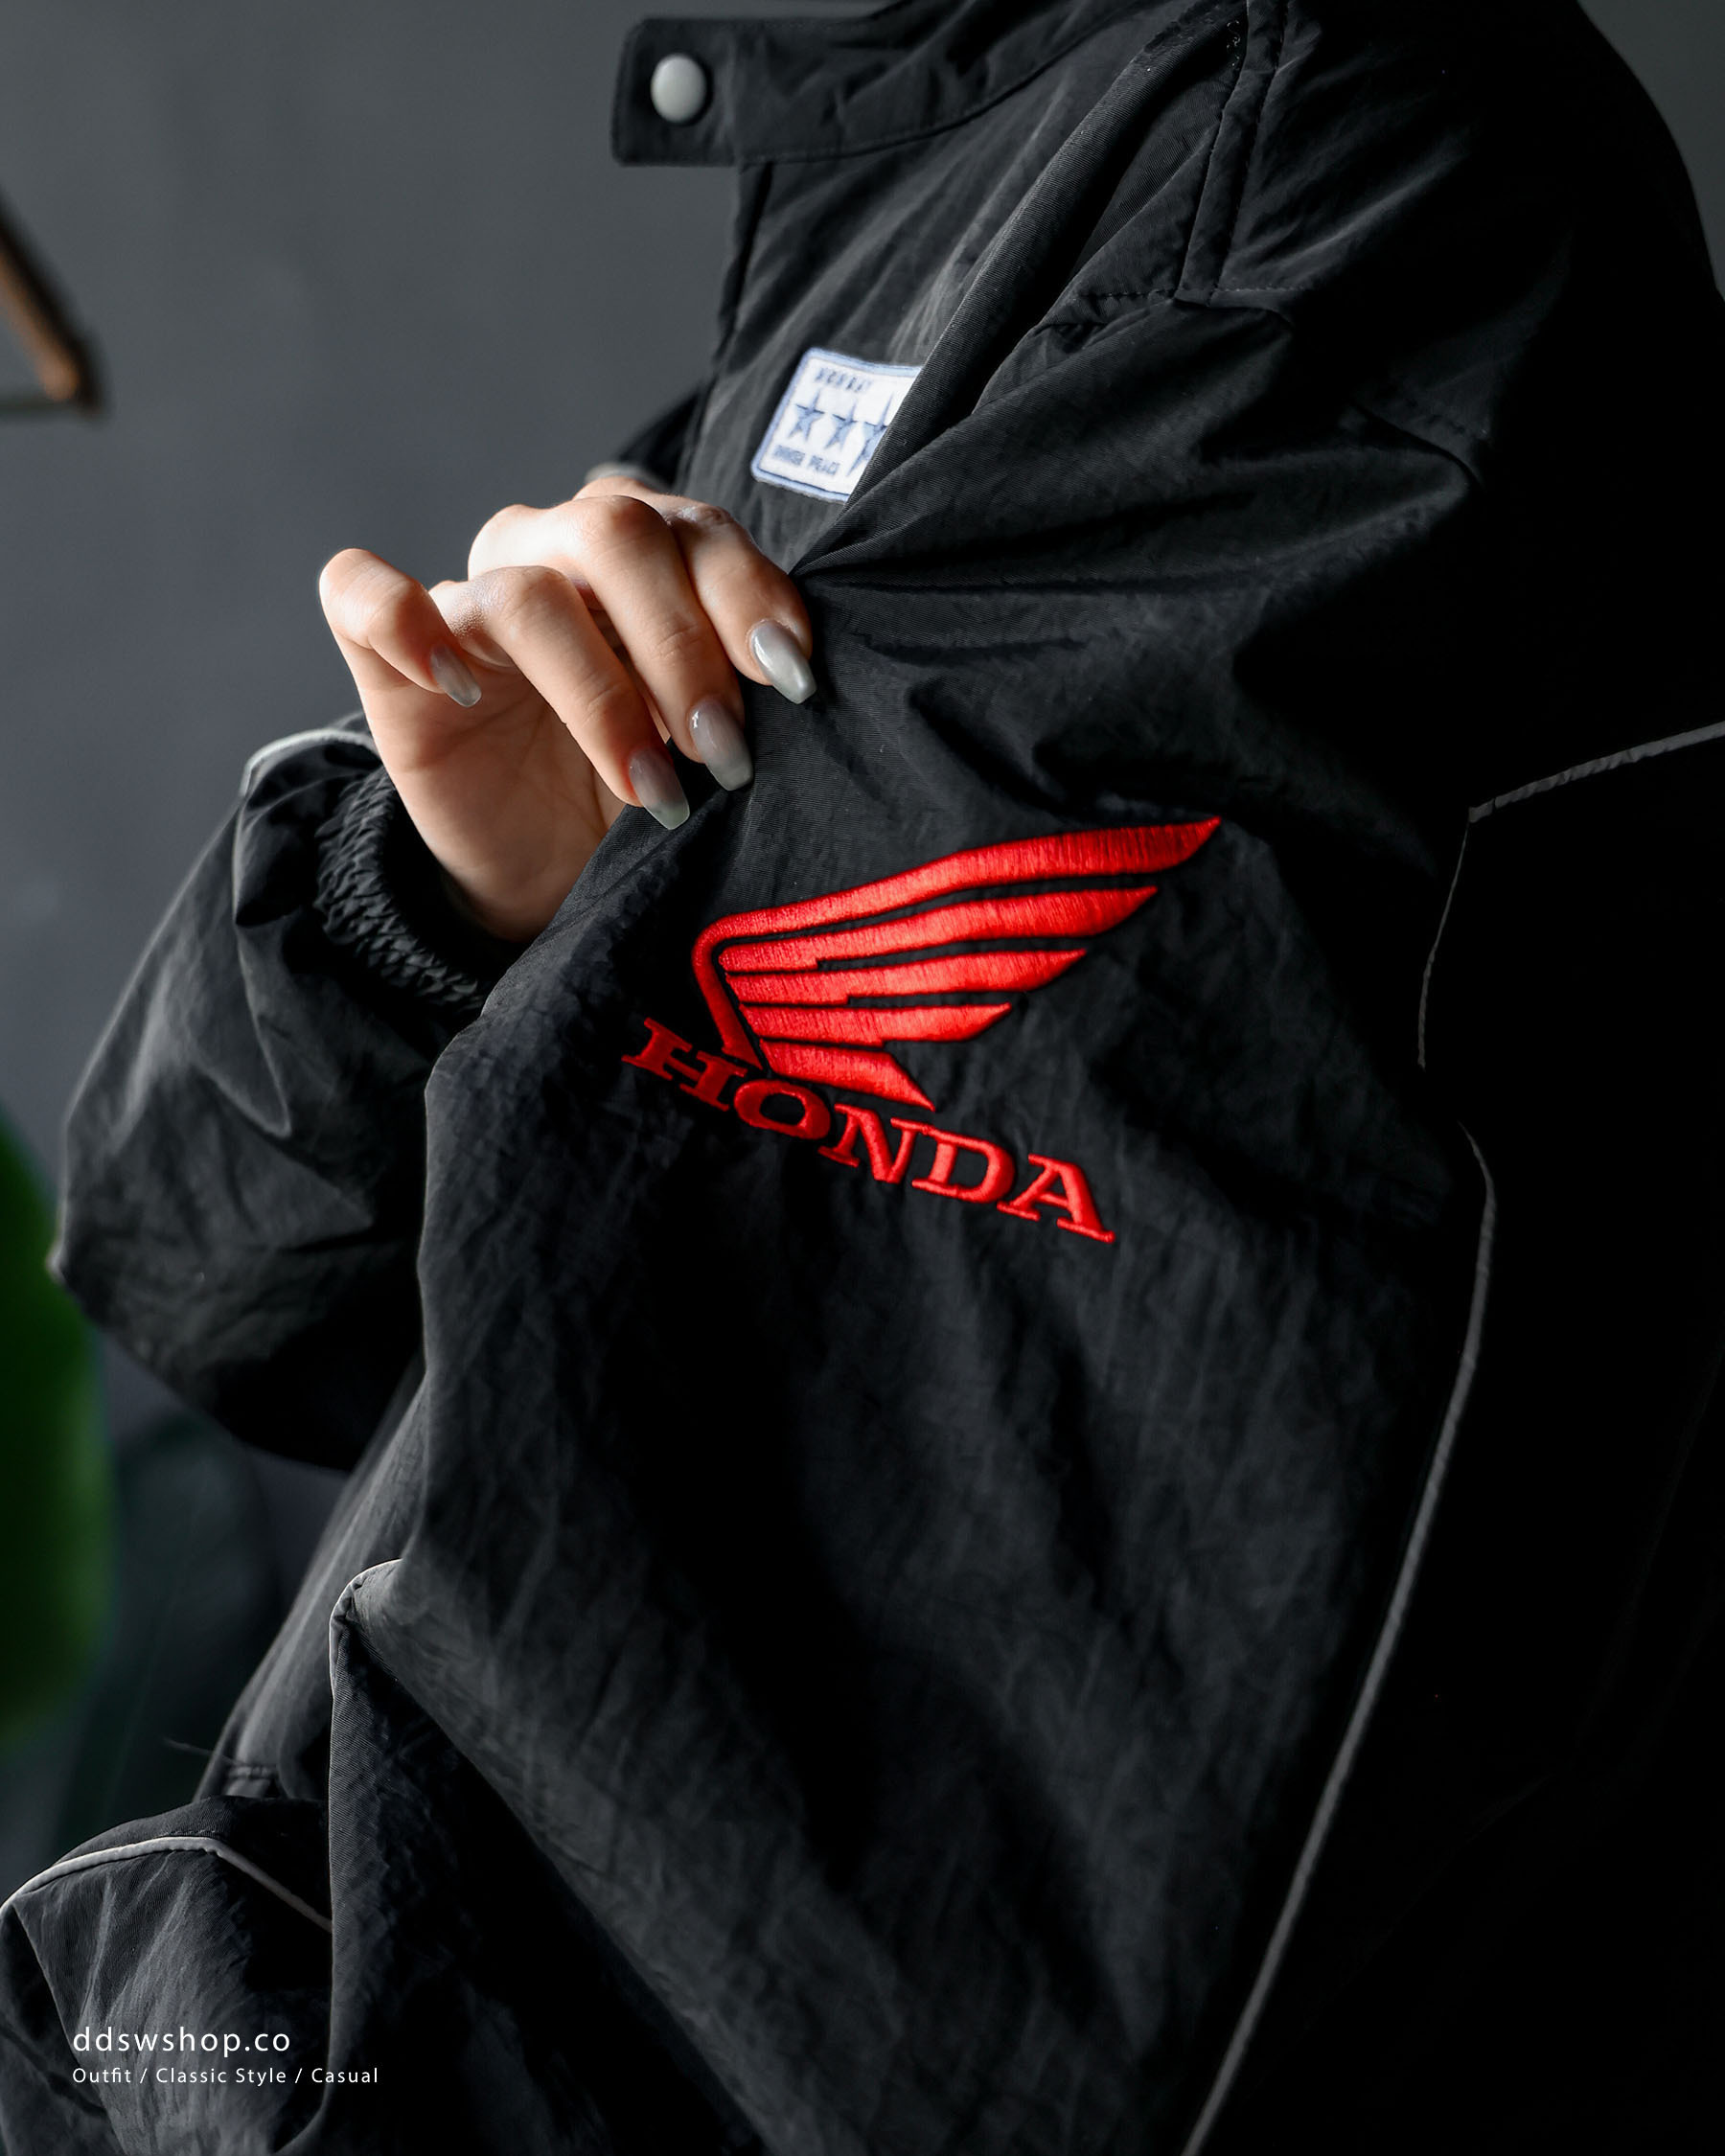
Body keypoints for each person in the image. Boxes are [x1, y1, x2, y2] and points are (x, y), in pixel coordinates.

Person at [3, 1, 1723, 2149]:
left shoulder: (1300, 213)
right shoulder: (957, 178)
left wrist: (141, 2061)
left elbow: (793, 1974)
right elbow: (207, 1259)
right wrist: (443, 899)